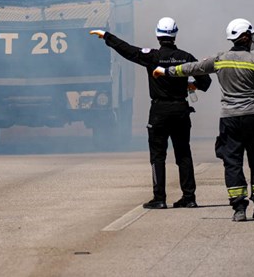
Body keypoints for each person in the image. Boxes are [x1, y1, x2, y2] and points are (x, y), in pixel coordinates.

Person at [154, 18, 254, 221]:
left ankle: (239, 209)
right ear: (245, 37)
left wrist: (166, 71)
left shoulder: (219, 59)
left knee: (232, 162)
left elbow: (192, 68)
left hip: (229, 120)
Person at [90, 17, 212, 209]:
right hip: (181, 110)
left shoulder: (152, 56)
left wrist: (107, 36)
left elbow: (128, 50)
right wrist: (192, 85)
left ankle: (159, 198)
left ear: (157, 35)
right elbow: (206, 82)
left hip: (159, 112)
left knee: (158, 156)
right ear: (175, 34)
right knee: (184, 154)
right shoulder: (186, 57)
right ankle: (189, 197)